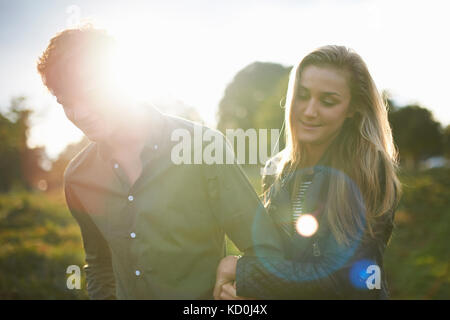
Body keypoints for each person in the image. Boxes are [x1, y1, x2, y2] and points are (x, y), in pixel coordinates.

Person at [36, 25, 284, 299]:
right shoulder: (78, 178)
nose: (78, 113)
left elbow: (265, 250)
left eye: (89, 91)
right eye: (65, 102)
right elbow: (99, 265)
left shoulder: (203, 147)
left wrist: (240, 283)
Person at [214, 45, 402, 300]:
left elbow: (347, 279)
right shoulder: (278, 168)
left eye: (328, 101)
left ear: (353, 109)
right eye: (303, 95)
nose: (310, 110)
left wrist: (242, 271)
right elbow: (282, 260)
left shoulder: (369, 168)